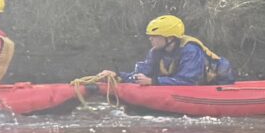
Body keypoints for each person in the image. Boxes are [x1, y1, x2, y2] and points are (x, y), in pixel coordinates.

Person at [97, 16, 236, 86]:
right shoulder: (155, 52)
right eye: (150, 36)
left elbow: (188, 80)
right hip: (183, 82)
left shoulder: (190, 50)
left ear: (170, 38)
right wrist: (117, 76)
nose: (151, 39)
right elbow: (141, 74)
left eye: (155, 36)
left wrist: (153, 82)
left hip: (219, 82)